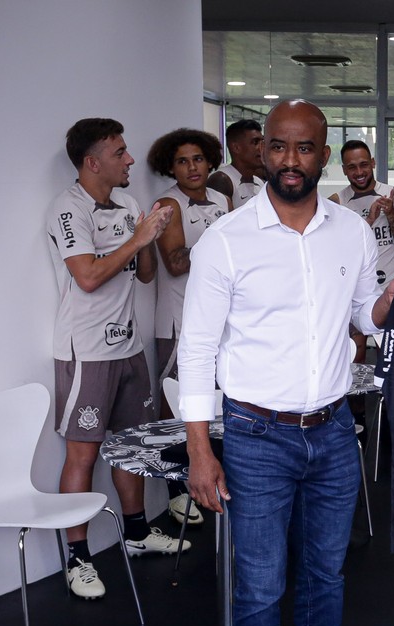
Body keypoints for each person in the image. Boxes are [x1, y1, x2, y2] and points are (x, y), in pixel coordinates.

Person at [178, 99, 394, 626]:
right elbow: (197, 350)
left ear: (323, 151)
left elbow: (359, 315)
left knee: (325, 574)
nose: (288, 160)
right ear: (261, 154)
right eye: (276, 147)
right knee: (258, 584)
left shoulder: (351, 231)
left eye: (304, 148)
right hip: (255, 434)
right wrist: (202, 448)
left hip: (335, 429)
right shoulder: (227, 239)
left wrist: (385, 306)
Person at [46, 118, 178, 599]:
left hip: (128, 346)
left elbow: (144, 276)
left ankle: (137, 533)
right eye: (120, 152)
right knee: (82, 451)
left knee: (132, 447)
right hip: (86, 351)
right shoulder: (68, 208)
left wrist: (150, 234)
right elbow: (86, 277)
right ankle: (77, 559)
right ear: (92, 162)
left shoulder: (127, 203)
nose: (130, 160)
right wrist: (139, 239)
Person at [147, 128, 231, 526]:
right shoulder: (168, 203)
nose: (192, 167)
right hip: (178, 321)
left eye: (197, 158)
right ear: (171, 167)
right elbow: (177, 262)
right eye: (182, 161)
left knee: (213, 403)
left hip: (218, 320)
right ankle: (175, 490)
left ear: (210, 160)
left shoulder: (222, 199)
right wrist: (221, 245)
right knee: (176, 404)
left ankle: (211, 475)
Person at [329, 140, 394, 287]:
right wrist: (368, 221)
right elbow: (334, 253)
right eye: (352, 167)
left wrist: (391, 214)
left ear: (373, 163)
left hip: (389, 289)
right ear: (344, 170)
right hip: (353, 290)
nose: (359, 172)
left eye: (364, 165)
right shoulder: (336, 203)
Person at [207, 118, 265, 208]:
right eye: (255, 142)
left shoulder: (259, 182)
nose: (261, 148)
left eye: (262, 142)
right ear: (236, 148)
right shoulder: (222, 180)